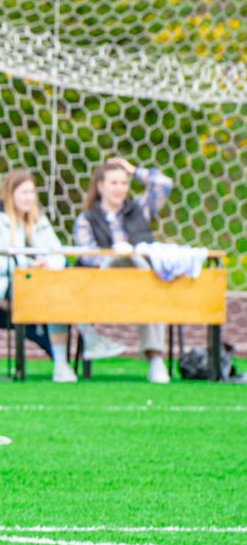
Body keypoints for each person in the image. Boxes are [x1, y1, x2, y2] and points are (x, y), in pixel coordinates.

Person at [73, 157, 175, 384]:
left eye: (123, 182)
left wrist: (133, 170)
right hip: (104, 284)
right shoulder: (87, 219)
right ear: (100, 186)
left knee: (148, 278)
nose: (119, 188)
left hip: (140, 283)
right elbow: (86, 256)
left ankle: (155, 359)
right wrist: (115, 254)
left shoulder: (140, 209)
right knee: (119, 255)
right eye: (113, 183)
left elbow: (164, 184)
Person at [0, 169, 74, 381]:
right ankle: (61, 356)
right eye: (24, 192)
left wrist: (47, 264)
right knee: (44, 294)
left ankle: (62, 362)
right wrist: (26, 266)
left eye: (32, 192)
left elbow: (57, 253)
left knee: (63, 292)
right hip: (1, 285)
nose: (29, 198)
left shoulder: (39, 221)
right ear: (10, 194)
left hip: (38, 285)